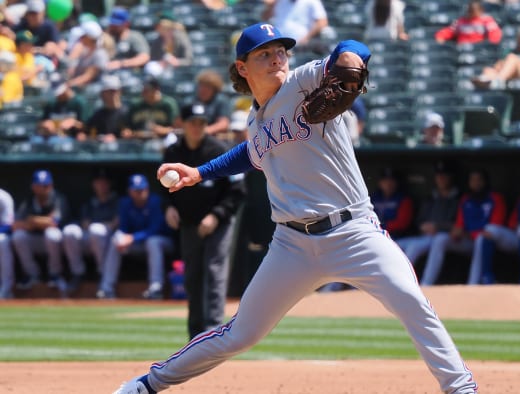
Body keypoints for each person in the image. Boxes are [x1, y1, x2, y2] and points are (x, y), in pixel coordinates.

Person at [112, 22, 477, 394]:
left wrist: (350, 57)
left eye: (281, 51)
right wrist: (200, 172)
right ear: (243, 67)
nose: (277, 59)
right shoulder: (254, 121)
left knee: (411, 301)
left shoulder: (305, 81)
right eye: (265, 54)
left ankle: (461, 388)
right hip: (291, 246)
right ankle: (147, 385)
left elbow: (352, 48)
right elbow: (251, 153)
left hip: (353, 231)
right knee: (239, 333)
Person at [163, 103, 245, 339]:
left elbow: (238, 190)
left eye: (201, 123)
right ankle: (195, 334)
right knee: (192, 276)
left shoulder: (219, 149)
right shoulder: (173, 153)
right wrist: (168, 207)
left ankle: (213, 332)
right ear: (183, 124)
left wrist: (216, 215)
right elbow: (162, 189)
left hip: (218, 221)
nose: (197, 127)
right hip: (189, 222)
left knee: (214, 270)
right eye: (193, 123)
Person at [419, 168, 507, 286]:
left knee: (482, 239)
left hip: (488, 242)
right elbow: (459, 225)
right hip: (468, 241)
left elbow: (495, 227)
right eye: (473, 180)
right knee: (441, 238)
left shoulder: (495, 198)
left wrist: (469, 234)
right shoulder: (466, 199)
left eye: (479, 180)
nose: (476, 183)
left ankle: (473, 283)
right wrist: (456, 231)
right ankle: (426, 283)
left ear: (485, 181)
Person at [97, 174, 174, 300]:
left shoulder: (155, 202)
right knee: (116, 239)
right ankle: (106, 288)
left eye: (142, 189)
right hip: (137, 243)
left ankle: (156, 287)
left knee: (152, 241)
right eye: (136, 190)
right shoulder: (125, 203)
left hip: (162, 242)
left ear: (147, 189)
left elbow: (154, 230)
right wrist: (123, 238)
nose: (140, 193)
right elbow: (124, 228)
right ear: (130, 191)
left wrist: (132, 238)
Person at [472, 166, 520, 285]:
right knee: (489, 230)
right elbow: (511, 222)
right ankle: (487, 277)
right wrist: (517, 225)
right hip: (519, 234)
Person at [12, 170, 72, 294]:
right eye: (40, 185)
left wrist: (32, 220)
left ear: (51, 186)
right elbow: (16, 224)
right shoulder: (28, 200)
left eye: (46, 185)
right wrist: (41, 222)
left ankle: (55, 274)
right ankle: (32, 275)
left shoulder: (58, 198)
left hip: (57, 243)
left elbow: (54, 222)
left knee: (52, 234)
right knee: (18, 236)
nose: (44, 189)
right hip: (34, 240)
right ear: (33, 187)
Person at [395, 160, 460, 274]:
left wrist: (438, 227)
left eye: (444, 175)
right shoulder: (431, 197)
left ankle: (417, 282)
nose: (441, 178)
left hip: (446, 236)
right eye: (439, 175)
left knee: (414, 247)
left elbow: (459, 223)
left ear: (451, 177)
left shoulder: (458, 198)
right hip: (425, 236)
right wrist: (422, 226)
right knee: (395, 246)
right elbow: (419, 220)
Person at [62, 167, 119, 293]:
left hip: (109, 240)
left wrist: (102, 224)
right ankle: (77, 273)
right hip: (91, 238)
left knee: (96, 230)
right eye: (99, 182)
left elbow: (115, 224)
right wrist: (104, 223)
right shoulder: (89, 202)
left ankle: (101, 272)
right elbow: (84, 223)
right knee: (69, 231)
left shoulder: (116, 201)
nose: (101, 185)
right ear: (94, 184)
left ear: (110, 184)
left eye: (104, 182)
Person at [473, 24, 520, 89]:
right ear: (519, 38)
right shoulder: (510, 50)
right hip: (508, 74)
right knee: (488, 70)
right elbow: (498, 65)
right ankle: (488, 81)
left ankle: (497, 81)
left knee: (512, 58)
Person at [122, 75, 179, 140]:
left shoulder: (168, 104)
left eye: (147, 89)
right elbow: (127, 127)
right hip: (138, 143)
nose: (143, 91)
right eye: (143, 88)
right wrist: (128, 132)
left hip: (163, 141)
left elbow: (177, 129)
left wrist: (163, 130)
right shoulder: (135, 105)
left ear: (156, 89)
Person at [35, 74, 87, 143]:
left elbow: (88, 126)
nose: (59, 95)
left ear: (67, 86)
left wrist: (74, 123)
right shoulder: (51, 103)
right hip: (52, 136)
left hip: (72, 138)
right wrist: (45, 125)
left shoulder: (79, 102)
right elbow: (41, 122)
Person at [261, 0, 330, 49]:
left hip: (300, 45)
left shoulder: (312, 1)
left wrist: (306, 38)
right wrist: (270, 6)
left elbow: (322, 22)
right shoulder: (279, 1)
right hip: (278, 42)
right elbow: (265, 18)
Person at [370, 167, 415, 238]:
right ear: (380, 183)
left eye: (391, 180)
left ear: (397, 182)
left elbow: (402, 223)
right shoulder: (374, 198)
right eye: (385, 180)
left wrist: (382, 226)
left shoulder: (403, 199)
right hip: (374, 234)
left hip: (398, 237)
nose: (388, 184)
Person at [145, 11, 193, 77]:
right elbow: (154, 60)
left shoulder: (182, 38)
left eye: (165, 27)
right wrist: (161, 63)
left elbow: (189, 60)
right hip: (162, 73)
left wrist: (177, 62)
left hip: (180, 72)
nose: (158, 29)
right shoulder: (157, 41)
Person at [434, 0, 502, 45]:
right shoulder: (461, 21)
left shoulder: (487, 20)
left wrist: (487, 46)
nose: (472, 12)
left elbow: (495, 35)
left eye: (475, 10)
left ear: (481, 10)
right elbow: (448, 31)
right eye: (471, 10)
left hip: (479, 50)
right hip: (462, 49)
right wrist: (440, 36)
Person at [66, 20, 109, 90]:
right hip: (78, 88)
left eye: (83, 36)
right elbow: (69, 72)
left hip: (93, 91)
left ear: (89, 37)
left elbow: (88, 77)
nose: (80, 38)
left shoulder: (100, 54)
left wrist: (67, 85)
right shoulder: (81, 51)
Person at [83, 75, 128, 142]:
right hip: (102, 150)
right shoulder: (98, 114)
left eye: (114, 91)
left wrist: (117, 138)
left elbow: (131, 134)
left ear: (120, 92)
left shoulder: (127, 112)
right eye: (109, 91)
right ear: (102, 94)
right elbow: (86, 130)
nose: (113, 94)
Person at [187, 69, 231, 137]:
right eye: (201, 85)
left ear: (215, 89)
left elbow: (224, 124)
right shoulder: (191, 101)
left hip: (212, 137)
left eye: (207, 87)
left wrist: (204, 131)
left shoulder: (221, 101)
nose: (203, 89)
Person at [105, 7, 150, 71]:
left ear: (126, 24)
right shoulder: (108, 37)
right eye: (112, 24)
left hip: (130, 73)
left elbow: (144, 57)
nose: (114, 26)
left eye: (117, 24)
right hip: (110, 73)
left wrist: (121, 63)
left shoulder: (134, 36)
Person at [0, 187, 14, 299]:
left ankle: (6, 288)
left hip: (2, 233)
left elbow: (8, 225)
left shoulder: (3, 197)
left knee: (1, 241)